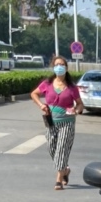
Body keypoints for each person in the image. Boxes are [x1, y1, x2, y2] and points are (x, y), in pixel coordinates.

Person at [30, 56, 83, 190]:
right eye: (57, 65)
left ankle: (59, 179)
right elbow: (34, 94)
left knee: (61, 149)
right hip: (51, 121)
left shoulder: (72, 87)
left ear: (66, 68)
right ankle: (65, 170)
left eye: (62, 64)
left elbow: (80, 104)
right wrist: (41, 105)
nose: (59, 67)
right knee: (51, 147)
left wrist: (76, 110)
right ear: (53, 67)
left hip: (67, 122)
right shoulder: (47, 83)